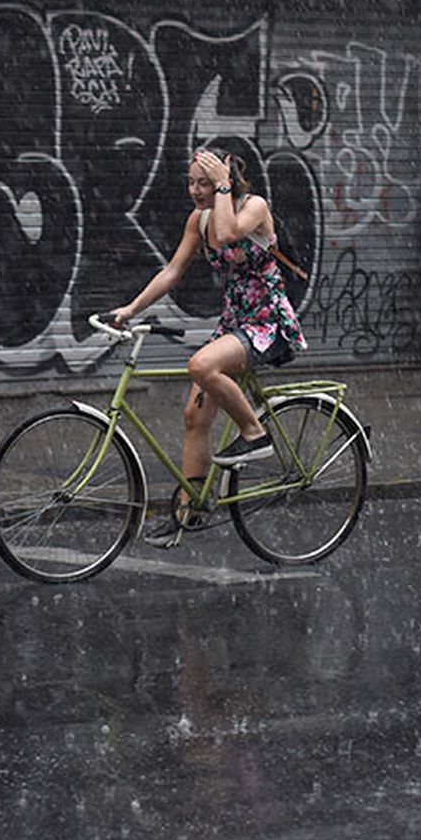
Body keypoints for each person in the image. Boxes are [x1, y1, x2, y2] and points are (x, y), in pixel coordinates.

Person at [109, 147, 308, 548]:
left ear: (227, 181)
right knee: (193, 416)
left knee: (200, 366)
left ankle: (254, 433)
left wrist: (222, 188)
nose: (195, 191)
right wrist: (131, 308)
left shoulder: (254, 207)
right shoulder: (198, 222)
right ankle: (189, 511)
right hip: (235, 324)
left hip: (268, 322)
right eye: (191, 182)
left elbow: (231, 233)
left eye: (204, 182)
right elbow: (172, 272)